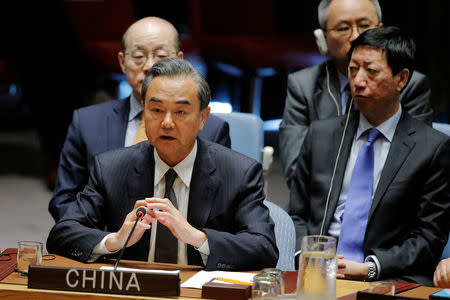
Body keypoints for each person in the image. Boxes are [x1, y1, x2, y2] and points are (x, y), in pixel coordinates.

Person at [46, 58, 278, 270]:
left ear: (202, 118)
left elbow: (264, 247)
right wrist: (115, 240)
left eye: (180, 112)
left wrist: (197, 237)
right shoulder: (111, 168)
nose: (167, 123)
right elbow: (61, 234)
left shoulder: (239, 172)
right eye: (156, 110)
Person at [288, 27, 449, 285]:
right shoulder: (321, 135)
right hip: (317, 274)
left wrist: (370, 268)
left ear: (401, 78)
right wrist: (305, 256)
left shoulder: (431, 148)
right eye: (353, 70)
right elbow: (297, 214)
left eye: (371, 71)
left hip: (387, 278)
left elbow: (428, 236)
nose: (358, 81)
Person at [49, 17, 231, 222]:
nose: (150, 66)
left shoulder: (212, 129)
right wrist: (102, 244)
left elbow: (220, 209)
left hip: (179, 248)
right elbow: (64, 201)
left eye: (161, 55)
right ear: (122, 62)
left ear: (180, 61)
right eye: (138, 56)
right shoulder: (87, 123)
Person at [279, 0, 433, 187]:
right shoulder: (304, 86)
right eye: (343, 28)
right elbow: (297, 175)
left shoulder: (408, 84)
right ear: (323, 38)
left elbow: (416, 170)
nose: (355, 36)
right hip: (320, 210)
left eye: (365, 26)